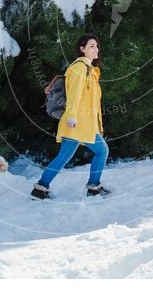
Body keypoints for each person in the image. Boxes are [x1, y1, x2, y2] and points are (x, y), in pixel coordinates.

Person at [31, 34, 111, 199]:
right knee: (102, 151)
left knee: (64, 156)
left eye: (96, 46)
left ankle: (40, 188)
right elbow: (75, 95)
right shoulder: (79, 68)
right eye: (91, 46)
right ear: (82, 49)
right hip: (78, 122)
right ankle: (93, 186)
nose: (96, 49)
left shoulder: (89, 69)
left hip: (82, 122)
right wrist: (72, 117)